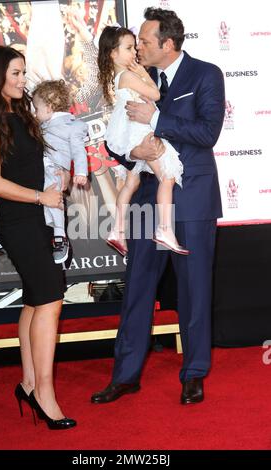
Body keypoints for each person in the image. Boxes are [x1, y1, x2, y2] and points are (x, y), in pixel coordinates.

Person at [91, 7, 225, 405]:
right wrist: (133, 148)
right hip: (146, 198)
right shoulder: (136, 77)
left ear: (167, 44)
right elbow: (117, 138)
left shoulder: (206, 74)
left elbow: (208, 132)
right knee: (137, 289)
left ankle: (195, 373)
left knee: (194, 289)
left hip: (193, 198)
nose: (139, 48)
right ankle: (126, 375)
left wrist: (159, 117)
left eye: (145, 42)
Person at [0, 45, 76, 429]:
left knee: (36, 301)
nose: (21, 80)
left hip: (37, 218)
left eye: (23, 73)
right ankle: (45, 396)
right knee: (51, 299)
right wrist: (40, 196)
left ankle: (29, 384)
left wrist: (56, 180)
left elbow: (31, 165)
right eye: (15, 74)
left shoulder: (22, 114)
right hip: (16, 221)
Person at [98, 26, 188, 256]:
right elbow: (156, 95)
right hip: (139, 133)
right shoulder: (128, 76)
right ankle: (165, 229)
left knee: (131, 183)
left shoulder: (121, 77)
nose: (134, 52)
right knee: (166, 176)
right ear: (113, 54)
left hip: (132, 133)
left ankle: (117, 230)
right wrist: (143, 72)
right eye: (128, 48)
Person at [32, 79, 88, 264]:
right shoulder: (41, 124)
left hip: (55, 170)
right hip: (40, 168)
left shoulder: (73, 126)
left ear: (48, 108)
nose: (34, 113)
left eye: (36, 109)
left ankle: (59, 236)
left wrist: (81, 172)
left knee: (53, 198)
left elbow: (79, 151)